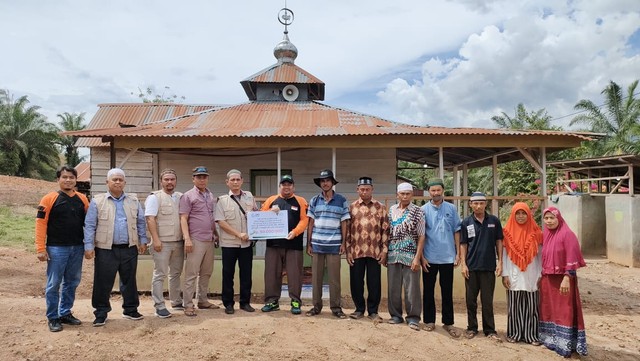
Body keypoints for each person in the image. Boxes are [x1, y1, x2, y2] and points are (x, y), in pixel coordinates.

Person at [84, 168, 148, 327]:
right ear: (107, 182)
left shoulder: (133, 200)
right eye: (114, 179)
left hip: (129, 248)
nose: (118, 182)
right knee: (103, 281)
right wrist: (89, 246)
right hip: (105, 249)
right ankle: (101, 312)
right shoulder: (97, 201)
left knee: (129, 280)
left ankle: (130, 309)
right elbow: (90, 225)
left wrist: (143, 240)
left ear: (125, 183)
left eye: (120, 180)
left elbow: (140, 222)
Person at [35, 165, 90, 332]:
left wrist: (89, 245)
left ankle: (65, 313)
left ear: (75, 180)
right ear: (57, 179)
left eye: (71, 177)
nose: (68, 180)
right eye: (64, 177)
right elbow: (40, 223)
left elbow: (89, 224)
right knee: (54, 283)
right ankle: (53, 317)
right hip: (56, 248)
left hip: (77, 248)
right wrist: (40, 248)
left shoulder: (82, 199)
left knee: (72, 282)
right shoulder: (48, 199)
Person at [539, 207, 588, 357]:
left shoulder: (567, 234)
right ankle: (551, 340)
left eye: (551, 218)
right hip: (548, 278)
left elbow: (572, 256)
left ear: (558, 218)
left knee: (564, 310)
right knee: (549, 309)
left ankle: (566, 343)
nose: (549, 221)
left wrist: (567, 277)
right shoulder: (546, 234)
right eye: (546, 218)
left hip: (563, 280)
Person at [260, 175, 309, 315]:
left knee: (295, 274)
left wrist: (295, 232)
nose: (286, 187)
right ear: (280, 186)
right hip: (273, 244)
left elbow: (304, 220)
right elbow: (259, 217)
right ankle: (272, 301)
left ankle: (295, 301)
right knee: (271, 274)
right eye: (284, 184)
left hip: (294, 244)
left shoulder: (300, 201)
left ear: (293, 186)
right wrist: (270, 212)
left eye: (289, 184)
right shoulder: (271, 200)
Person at [306, 169, 351, 319]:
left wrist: (344, 243)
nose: (325, 183)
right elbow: (310, 223)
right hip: (317, 244)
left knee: (334, 278)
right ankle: (316, 306)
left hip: (334, 244)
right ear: (320, 184)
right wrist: (309, 244)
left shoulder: (341, 200)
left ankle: (336, 307)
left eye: (327, 180)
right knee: (316, 278)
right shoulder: (314, 200)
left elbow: (344, 223)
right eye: (322, 181)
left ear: (332, 183)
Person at [420, 178, 462, 338]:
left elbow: (456, 231)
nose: (436, 193)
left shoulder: (451, 208)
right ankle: (429, 321)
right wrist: (422, 256)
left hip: (448, 258)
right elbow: (421, 235)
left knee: (447, 291)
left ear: (443, 190)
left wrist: (457, 253)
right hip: (429, 258)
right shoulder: (423, 210)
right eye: (433, 190)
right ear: (429, 192)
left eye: (438, 190)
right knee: (428, 291)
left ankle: (448, 322)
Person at [460, 192, 503, 340]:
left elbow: (499, 242)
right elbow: (463, 244)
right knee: (470, 301)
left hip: (488, 267)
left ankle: (490, 330)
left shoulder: (494, 221)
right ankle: (472, 328)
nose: (478, 206)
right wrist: (463, 264)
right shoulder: (466, 222)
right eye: (475, 203)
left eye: (481, 203)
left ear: (486, 204)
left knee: (487, 301)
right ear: (471, 204)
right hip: (471, 268)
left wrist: (500, 262)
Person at [345, 177, 389, 321]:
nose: (364, 192)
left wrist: (384, 250)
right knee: (356, 281)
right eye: (362, 189)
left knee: (374, 282)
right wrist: (348, 250)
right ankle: (358, 309)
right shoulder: (352, 208)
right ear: (357, 190)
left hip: (374, 251)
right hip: (356, 251)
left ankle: (373, 311)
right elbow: (347, 231)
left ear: (372, 190)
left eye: (367, 189)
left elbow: (385, 230)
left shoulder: (380, 207)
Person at [215, 169, 258, 315]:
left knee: (246, 274)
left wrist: (272, 214)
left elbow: (256, 215)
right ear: (227, 182)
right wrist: (238, 234)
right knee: (228, 274)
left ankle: (245, 302)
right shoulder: (222, 201)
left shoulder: (249, 197)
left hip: (246, 244)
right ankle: (228, 303)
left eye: (237, 179)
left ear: (242, 181)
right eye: (232, 180)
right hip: (229, 244)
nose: (235, 182)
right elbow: (221, 222)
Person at [501, 202, 543, 345]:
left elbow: (540, 256)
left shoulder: (537, 233)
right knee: (514, 307)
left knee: (532, 307)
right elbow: (504, 256)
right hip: (513, 274)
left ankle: (532, 336)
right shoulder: (506, 232)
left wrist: (540, 274)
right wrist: (505, 274)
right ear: (513, 215)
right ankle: (515, 334)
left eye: (523, 213)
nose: (520, 216)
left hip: (532, 274)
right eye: (517, 213)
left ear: (528, 214)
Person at [180, 165, 219, 317]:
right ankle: (188, 304)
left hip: (209, 239)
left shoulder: (209, 195)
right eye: (199, 177)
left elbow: (211, 217)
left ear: (207, 178)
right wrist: (187, 239)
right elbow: (183, 218)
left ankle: (202, 300)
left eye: (204, 177)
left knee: (206, 272)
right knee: (191, 273)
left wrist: (216, 234)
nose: (202, 179)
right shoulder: (188, 196)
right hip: (195, 239)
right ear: (193, 179)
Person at [145, 168, 184, 319]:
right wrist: (155, 239)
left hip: (178, 242)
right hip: (162, 242)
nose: (169, 182)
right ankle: (159, 305)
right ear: (161, 181)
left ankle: (176, 301)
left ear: (176, 181)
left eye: (172, 179)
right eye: (166, 179)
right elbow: (150, 219)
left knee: (175, 273)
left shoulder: (180, 197)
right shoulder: (155, 197)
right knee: (160, 274)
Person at [387, 182, 425, 331]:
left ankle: (413, 318)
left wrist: (417, 257)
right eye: (402, 194)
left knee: (412, 289)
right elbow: (387, 232)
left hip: (410, 256)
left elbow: (422, 236)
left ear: (412, 195)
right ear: (397, 194)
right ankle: (395, 315)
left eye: (407, 194)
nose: (404, 196)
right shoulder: (391, 210)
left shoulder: (418, 211)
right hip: (393, 255)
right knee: (393, 288)